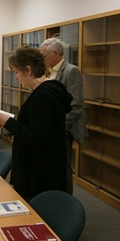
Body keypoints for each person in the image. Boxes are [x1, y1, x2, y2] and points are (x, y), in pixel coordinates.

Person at [0, 45, 72, 202]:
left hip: (38, 171)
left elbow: (37, 137)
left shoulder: (43, 96)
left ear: (28, 70)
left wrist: (9, 122)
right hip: (43, 166)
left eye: (16, 71)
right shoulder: (50, 90)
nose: (16, 76)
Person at [39, 37, 88, 195]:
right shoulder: (48, 72)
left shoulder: (71, 71)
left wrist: (60, 125)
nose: (42, 59)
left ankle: (65, 200)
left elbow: (77, 104)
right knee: (51, 166)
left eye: (44, 56)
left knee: (64, 167)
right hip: (50, 128)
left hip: (63, 129)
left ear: (56, 53)